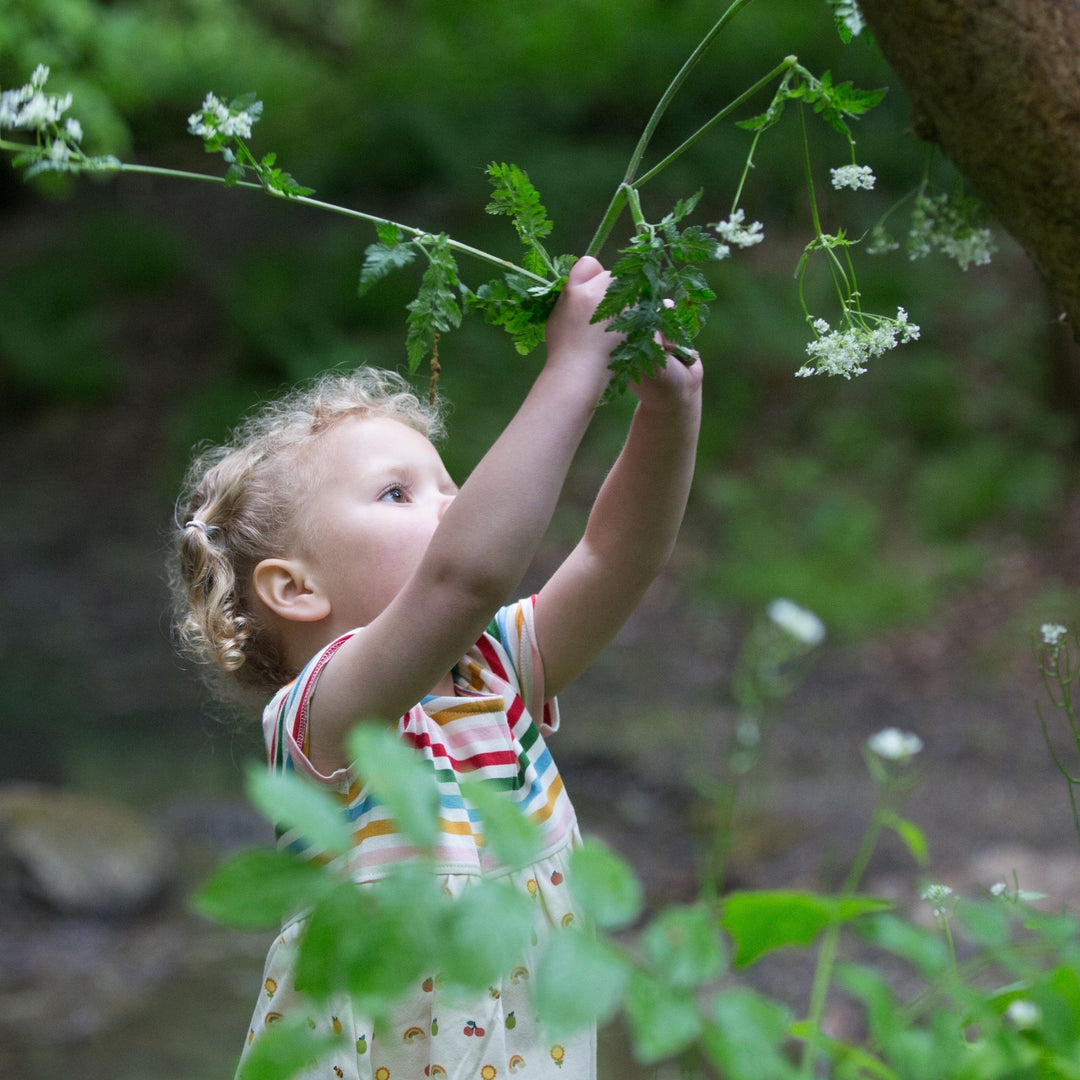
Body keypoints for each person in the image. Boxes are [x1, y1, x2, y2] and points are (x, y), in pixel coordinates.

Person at [170, 255, 703, 1079]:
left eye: (451, 487)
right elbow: (463, 577)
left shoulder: (492, 667)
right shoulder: (327, 719)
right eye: (398, 494)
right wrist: (569, 372)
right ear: (295, 588)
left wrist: (670, 409)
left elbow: (613, 559)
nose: (454, 508)